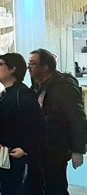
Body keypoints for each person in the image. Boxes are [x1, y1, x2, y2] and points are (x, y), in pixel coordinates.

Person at [0, 53, 46, 195]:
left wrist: (25, 148)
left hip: (17, 160)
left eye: (0, 65)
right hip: (1, 157)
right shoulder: (6, 94)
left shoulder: (22, 95)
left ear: (13, 69)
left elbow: (39, 127)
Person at [29, 48, 87, 195]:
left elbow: (76, 118)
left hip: (55, 148)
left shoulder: (64, 86)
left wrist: (78, 150)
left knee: (55, 188)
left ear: (45, 67)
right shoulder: (36, 85)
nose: (29, 67)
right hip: (38, 148)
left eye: (33, 64)